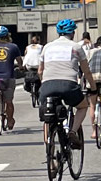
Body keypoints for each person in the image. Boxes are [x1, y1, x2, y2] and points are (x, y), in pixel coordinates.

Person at [37, 19, 88, 147]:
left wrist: (43, 83)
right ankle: (72, 132)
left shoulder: (47, 47)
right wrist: (92, 87)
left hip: (47, 85)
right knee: (82, 106)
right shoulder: (76, 47)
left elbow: (40, 71)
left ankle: (49, 146)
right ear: (73, 33)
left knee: (48, 116)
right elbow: (86, 71)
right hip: (68, 84)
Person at [21, 33, 45, 103]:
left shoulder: (27, 47)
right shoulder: (41, 47)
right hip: (38, 65)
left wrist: (23, 66)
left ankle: (31, 89)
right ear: (39, 41)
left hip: (29, 65)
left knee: (28, 73)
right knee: (41, 76)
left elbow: (26, 55)